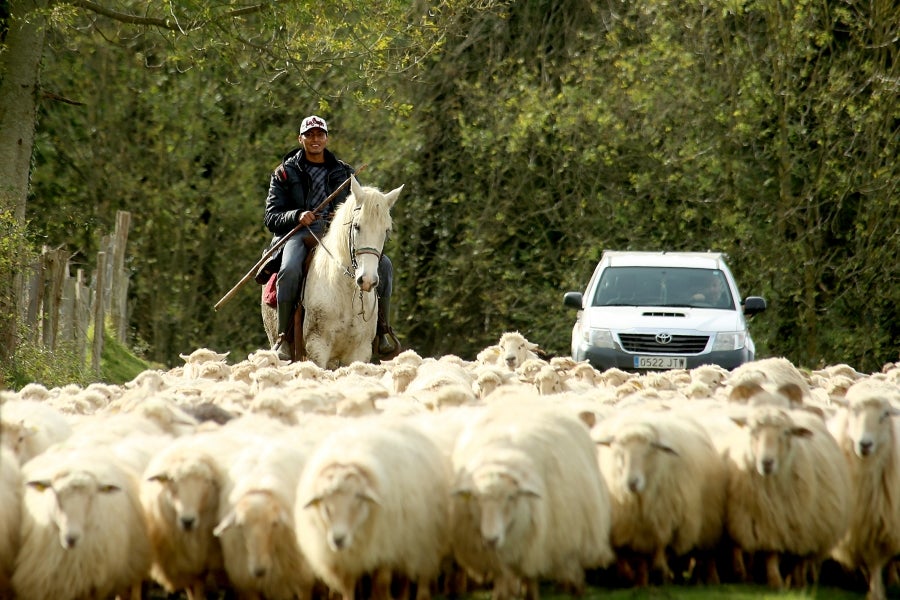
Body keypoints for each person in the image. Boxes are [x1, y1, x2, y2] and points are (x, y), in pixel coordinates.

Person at [256, 115, 399, 361]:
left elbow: (360, 208)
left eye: (319, 134)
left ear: (326, 138)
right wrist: (297, 215)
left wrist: (340, 214)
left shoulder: (344, 171)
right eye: (309, 135)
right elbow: (271, 217)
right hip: (300, 235)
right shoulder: (284, 173)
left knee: (384, 265)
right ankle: (283, 338)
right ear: (300, 138)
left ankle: (382, 330)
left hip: (339, 235)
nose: (315, 139)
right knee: (289, 269)